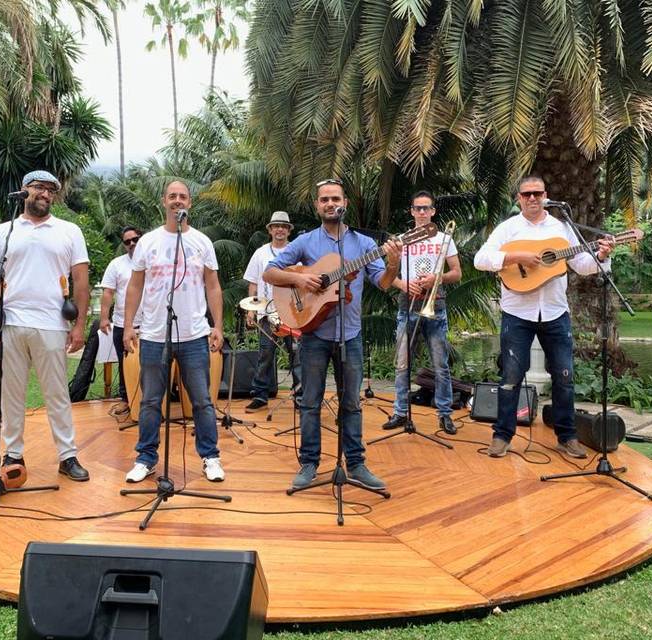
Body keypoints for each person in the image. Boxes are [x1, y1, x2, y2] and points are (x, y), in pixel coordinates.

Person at [263, 179, 402, 491]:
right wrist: (300, 281)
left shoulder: (364, 244)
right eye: (324, 199)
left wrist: (393, 262)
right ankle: (309, 464)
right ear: (317, 205)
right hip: (314, 335)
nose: (329, 204)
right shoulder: (305, 242)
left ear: (345, 204)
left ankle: (356, 463)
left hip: (349, 335)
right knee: (310, 402)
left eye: (335, 198)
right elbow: (270, 272)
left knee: (351, 402)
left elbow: (382, 282)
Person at [474, 175, 615, 458]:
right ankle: (502, 436)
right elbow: (480, 259)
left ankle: (567, 437)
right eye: (526, 195)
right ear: (518, 199)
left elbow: (582, 265)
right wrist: (517, 258)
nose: (532, 199)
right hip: (517, 312)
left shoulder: (562, 228)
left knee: (564, 375)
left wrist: (601, 256)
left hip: (555, 311)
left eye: (537, 193)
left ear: (546, 196)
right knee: (511, 375)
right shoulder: (508, 229)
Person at [0, 170, 91, 481]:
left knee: (57, 393)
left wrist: (79, 326)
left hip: (52, 323)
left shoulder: (69, 231)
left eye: (50, 190)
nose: (44, 193)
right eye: (38, 187)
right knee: (11, 393)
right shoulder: (3, 231)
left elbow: (81, 282)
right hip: (11, 322)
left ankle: (67, 456)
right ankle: (13, 453)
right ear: (23, 190)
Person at [122, 180, 226, 483]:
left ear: (189, 203)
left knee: (202, 401)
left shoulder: (202, 242)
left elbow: (213, 285)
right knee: (151, 400)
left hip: (194, 333)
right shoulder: (149, 242)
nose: (177, 201)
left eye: (182, 196)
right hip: (155, 334)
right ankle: (146, 457)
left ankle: (210, 456)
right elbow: (136, 285)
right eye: (172, 196)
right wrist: (129, 325)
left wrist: (217, 325)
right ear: (163, 202)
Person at [384, 190, 462, 434]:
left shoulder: (444, 239)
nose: (421, 212)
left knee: (440, 365)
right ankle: (400, 411)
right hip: (407, 304)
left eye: (426, 208)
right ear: (411, 211)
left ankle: (445, 414)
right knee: (402, 363)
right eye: (417, 208)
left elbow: (457, 273)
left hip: (435, 304)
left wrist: (436, 279)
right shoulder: (401, 240)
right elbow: (387, 275)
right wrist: (402, 284)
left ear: (433, 211)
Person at [243, 211, 302, 411]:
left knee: (297, 354)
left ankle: (300, 395)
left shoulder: (296, 253)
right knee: (265, 354)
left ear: (288, 231)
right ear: (269, 230)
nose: (280, 229)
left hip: (292, 314)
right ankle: (260, 395)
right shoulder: (260, 253)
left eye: (284, 226)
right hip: (267, 313)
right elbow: (253, 282)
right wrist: (250, 311)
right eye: (276, 226)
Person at [99, 226, 144, 406]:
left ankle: (150, 403)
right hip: (123, 325)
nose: (132, 244)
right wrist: (104, 318)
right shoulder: (116, 264)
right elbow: (108, 292)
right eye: (127, 242)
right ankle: (128, 403)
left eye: (135, 239)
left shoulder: (154, 262)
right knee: (126, 365)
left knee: (151, 367)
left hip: (151, 325)